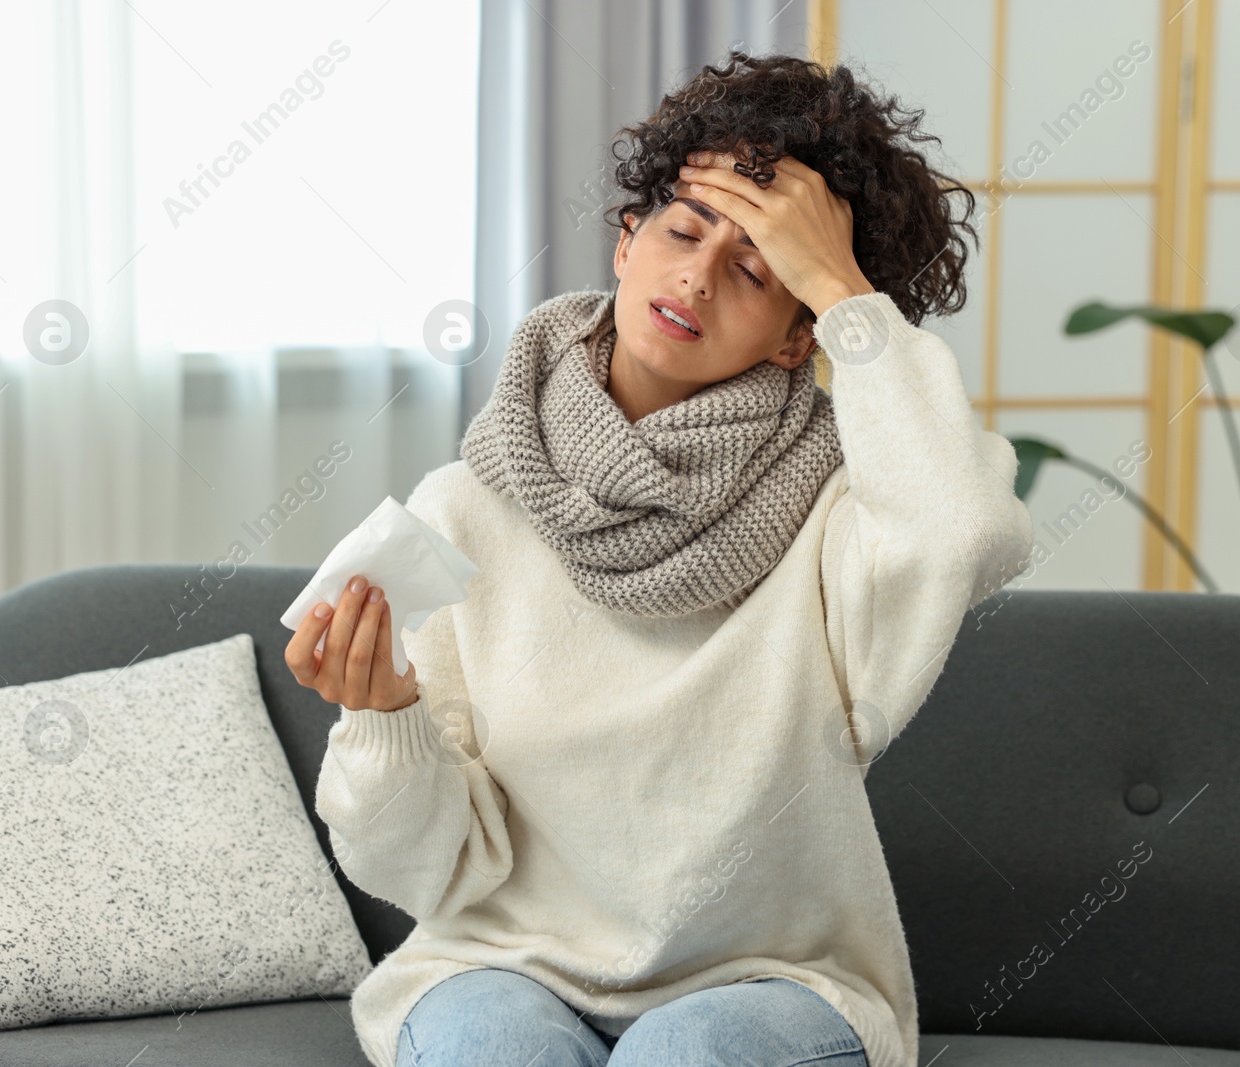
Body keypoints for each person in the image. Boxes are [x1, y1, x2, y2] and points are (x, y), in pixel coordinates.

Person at [285, 48, 1032, 1067]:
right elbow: (422, 871)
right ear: (627, 240)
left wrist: (845, 289)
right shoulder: (464, 509)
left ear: (792, 338)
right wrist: (383, 722)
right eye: (683, 230)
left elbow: (965, 528)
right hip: (498, 965)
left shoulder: (838, 517)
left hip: (772, 984)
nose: (697, 274)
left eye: (757, 270)